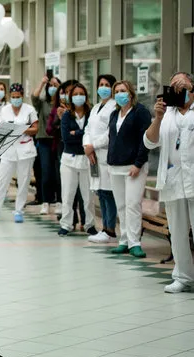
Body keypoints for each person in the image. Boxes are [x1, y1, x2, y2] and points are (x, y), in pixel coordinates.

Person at [145, 72, 194, 292]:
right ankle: (183, 277)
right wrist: (158, 117)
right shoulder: (166, 114)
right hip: (174, 180)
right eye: (173, 84)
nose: (177, 88)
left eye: (182, 84)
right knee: (178, 232)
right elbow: (149, 142)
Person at [107, 80, 152, 258]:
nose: (120, 94)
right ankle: (124, 240)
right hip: (115, 166)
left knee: (133, 204)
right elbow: (112, 139)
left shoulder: (141, 112)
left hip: (134, 166)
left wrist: (138, 163)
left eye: (123, 90)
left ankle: (135, 243)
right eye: (117, 91)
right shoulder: (114, 114)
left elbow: (146, 140)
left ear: (131, 93)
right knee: (122, 205)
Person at [0, 83, 38, 223]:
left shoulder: (29, 109)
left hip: (25, 151)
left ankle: (18, 211)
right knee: (1, 181)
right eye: (13, 97)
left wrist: (21, 129)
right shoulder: (5, 110)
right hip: (8, 150)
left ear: (22, 96)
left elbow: (35, 129)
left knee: (23, 181)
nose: (16, 99)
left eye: (18, 97)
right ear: (10, 96)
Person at [58, 82, 97, 236]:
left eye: (81, 94)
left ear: (86, 96)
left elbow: (93, 134)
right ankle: (66, 224)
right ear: (70, 97)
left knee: (88, 196)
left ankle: (89, 225)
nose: (78, 97)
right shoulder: (67, 115)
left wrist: (76, 133)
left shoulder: (91, 114)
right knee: (67, 194)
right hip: (69, 159)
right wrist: (82, 134)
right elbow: (66, 138)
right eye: (75, 94)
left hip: (87, 159)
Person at [83, 74, 118, 243]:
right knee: (100, 192)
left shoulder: (114, 107)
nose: (103, 87)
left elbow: (110, 133)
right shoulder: (96, 106)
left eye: (106, 84)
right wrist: (87, 147)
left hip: (104, 155)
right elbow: (88, 129)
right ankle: (104, 228)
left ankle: (109, 229)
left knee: (108, 193)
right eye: (100, 84)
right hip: (93, 156)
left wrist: (93, 146)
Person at [32, 75, 62, 215]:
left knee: (58, 173)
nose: (53, 88)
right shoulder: (43, 103)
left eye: (56, 86)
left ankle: (59, 201)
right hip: (44, 140)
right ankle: (46, 202)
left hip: (58, 141)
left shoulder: (62, 104)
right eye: (51, 86)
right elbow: (34, 97)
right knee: (46, 172)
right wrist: (43, 83)